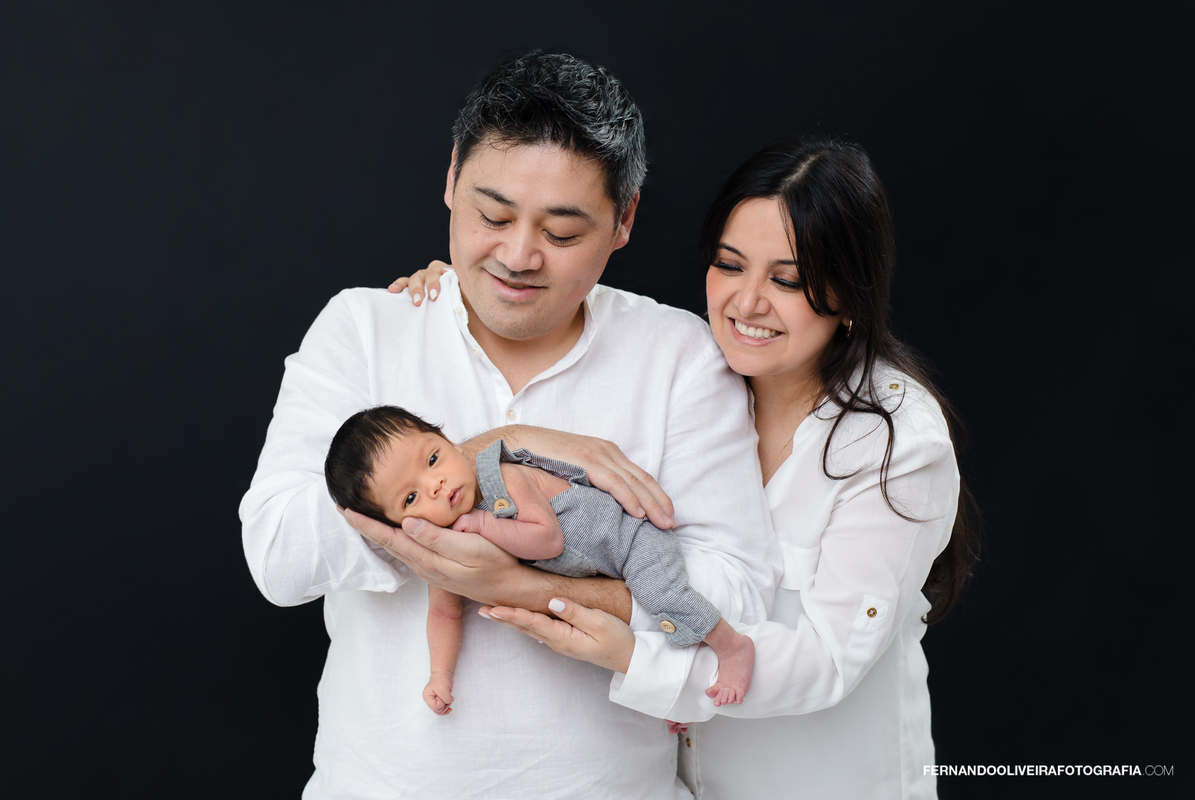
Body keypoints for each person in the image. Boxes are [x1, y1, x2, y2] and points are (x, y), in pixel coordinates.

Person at [239, 51, 779, 799]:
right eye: (492, 216)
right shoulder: (366, 327)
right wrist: (496, 450)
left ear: (624, 220)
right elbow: (277, 553)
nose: (518, 256)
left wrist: (521, 586)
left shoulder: (678, 354)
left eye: (561, 233)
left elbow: (743, 590)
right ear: (452, 176)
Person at [395, 137, 978, 799]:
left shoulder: (897, 442)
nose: (747, 302)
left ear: (849, 295)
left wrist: (630, 653)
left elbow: (827, 660)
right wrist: (452, 296)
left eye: (786, 280)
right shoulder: (692, 377)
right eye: (730, 266)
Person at [323, 406, 756, 715]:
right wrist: (440, 675)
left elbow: (546, 539)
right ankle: (680, 693)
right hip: (596, 570)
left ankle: (732, 646)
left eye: (433, 458)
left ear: (449, 440)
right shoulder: (446, 553)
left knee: (660, 594)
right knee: (597, 632)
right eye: (411, 497)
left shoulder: (502, 476)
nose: (435, 485)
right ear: (399, 526)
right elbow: (443, 614)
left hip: (628, 538)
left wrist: (484, 526)